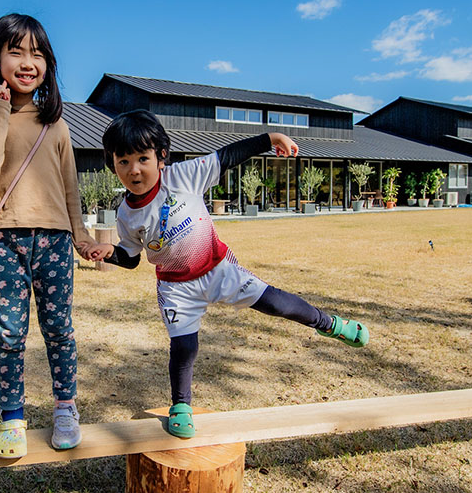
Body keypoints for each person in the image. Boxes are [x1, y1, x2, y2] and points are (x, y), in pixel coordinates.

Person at [83, 110, 370, 439]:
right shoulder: (126, 215)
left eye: (143, 158)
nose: (134, 170)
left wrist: (270, 139)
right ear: (113, 164)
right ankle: (181, 406)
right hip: (177, 288)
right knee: (184, 346)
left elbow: (228, 156)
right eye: (123, 161)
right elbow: (131, 258)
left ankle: (331, 324)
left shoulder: (184, 176)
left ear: (161, 156)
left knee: (274, 303)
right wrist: (110, 254)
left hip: (219, 269)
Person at [0, 13, 93, 459]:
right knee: (10, 334)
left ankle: (65, 408)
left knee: (59, 328)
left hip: (55, 241)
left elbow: (71, 187)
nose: (26, 62)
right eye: (15, 51)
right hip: (4, 240)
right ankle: (13, 418)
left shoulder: (56, 124)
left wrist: (81, 236)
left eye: (36, 54)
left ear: (48, 65)